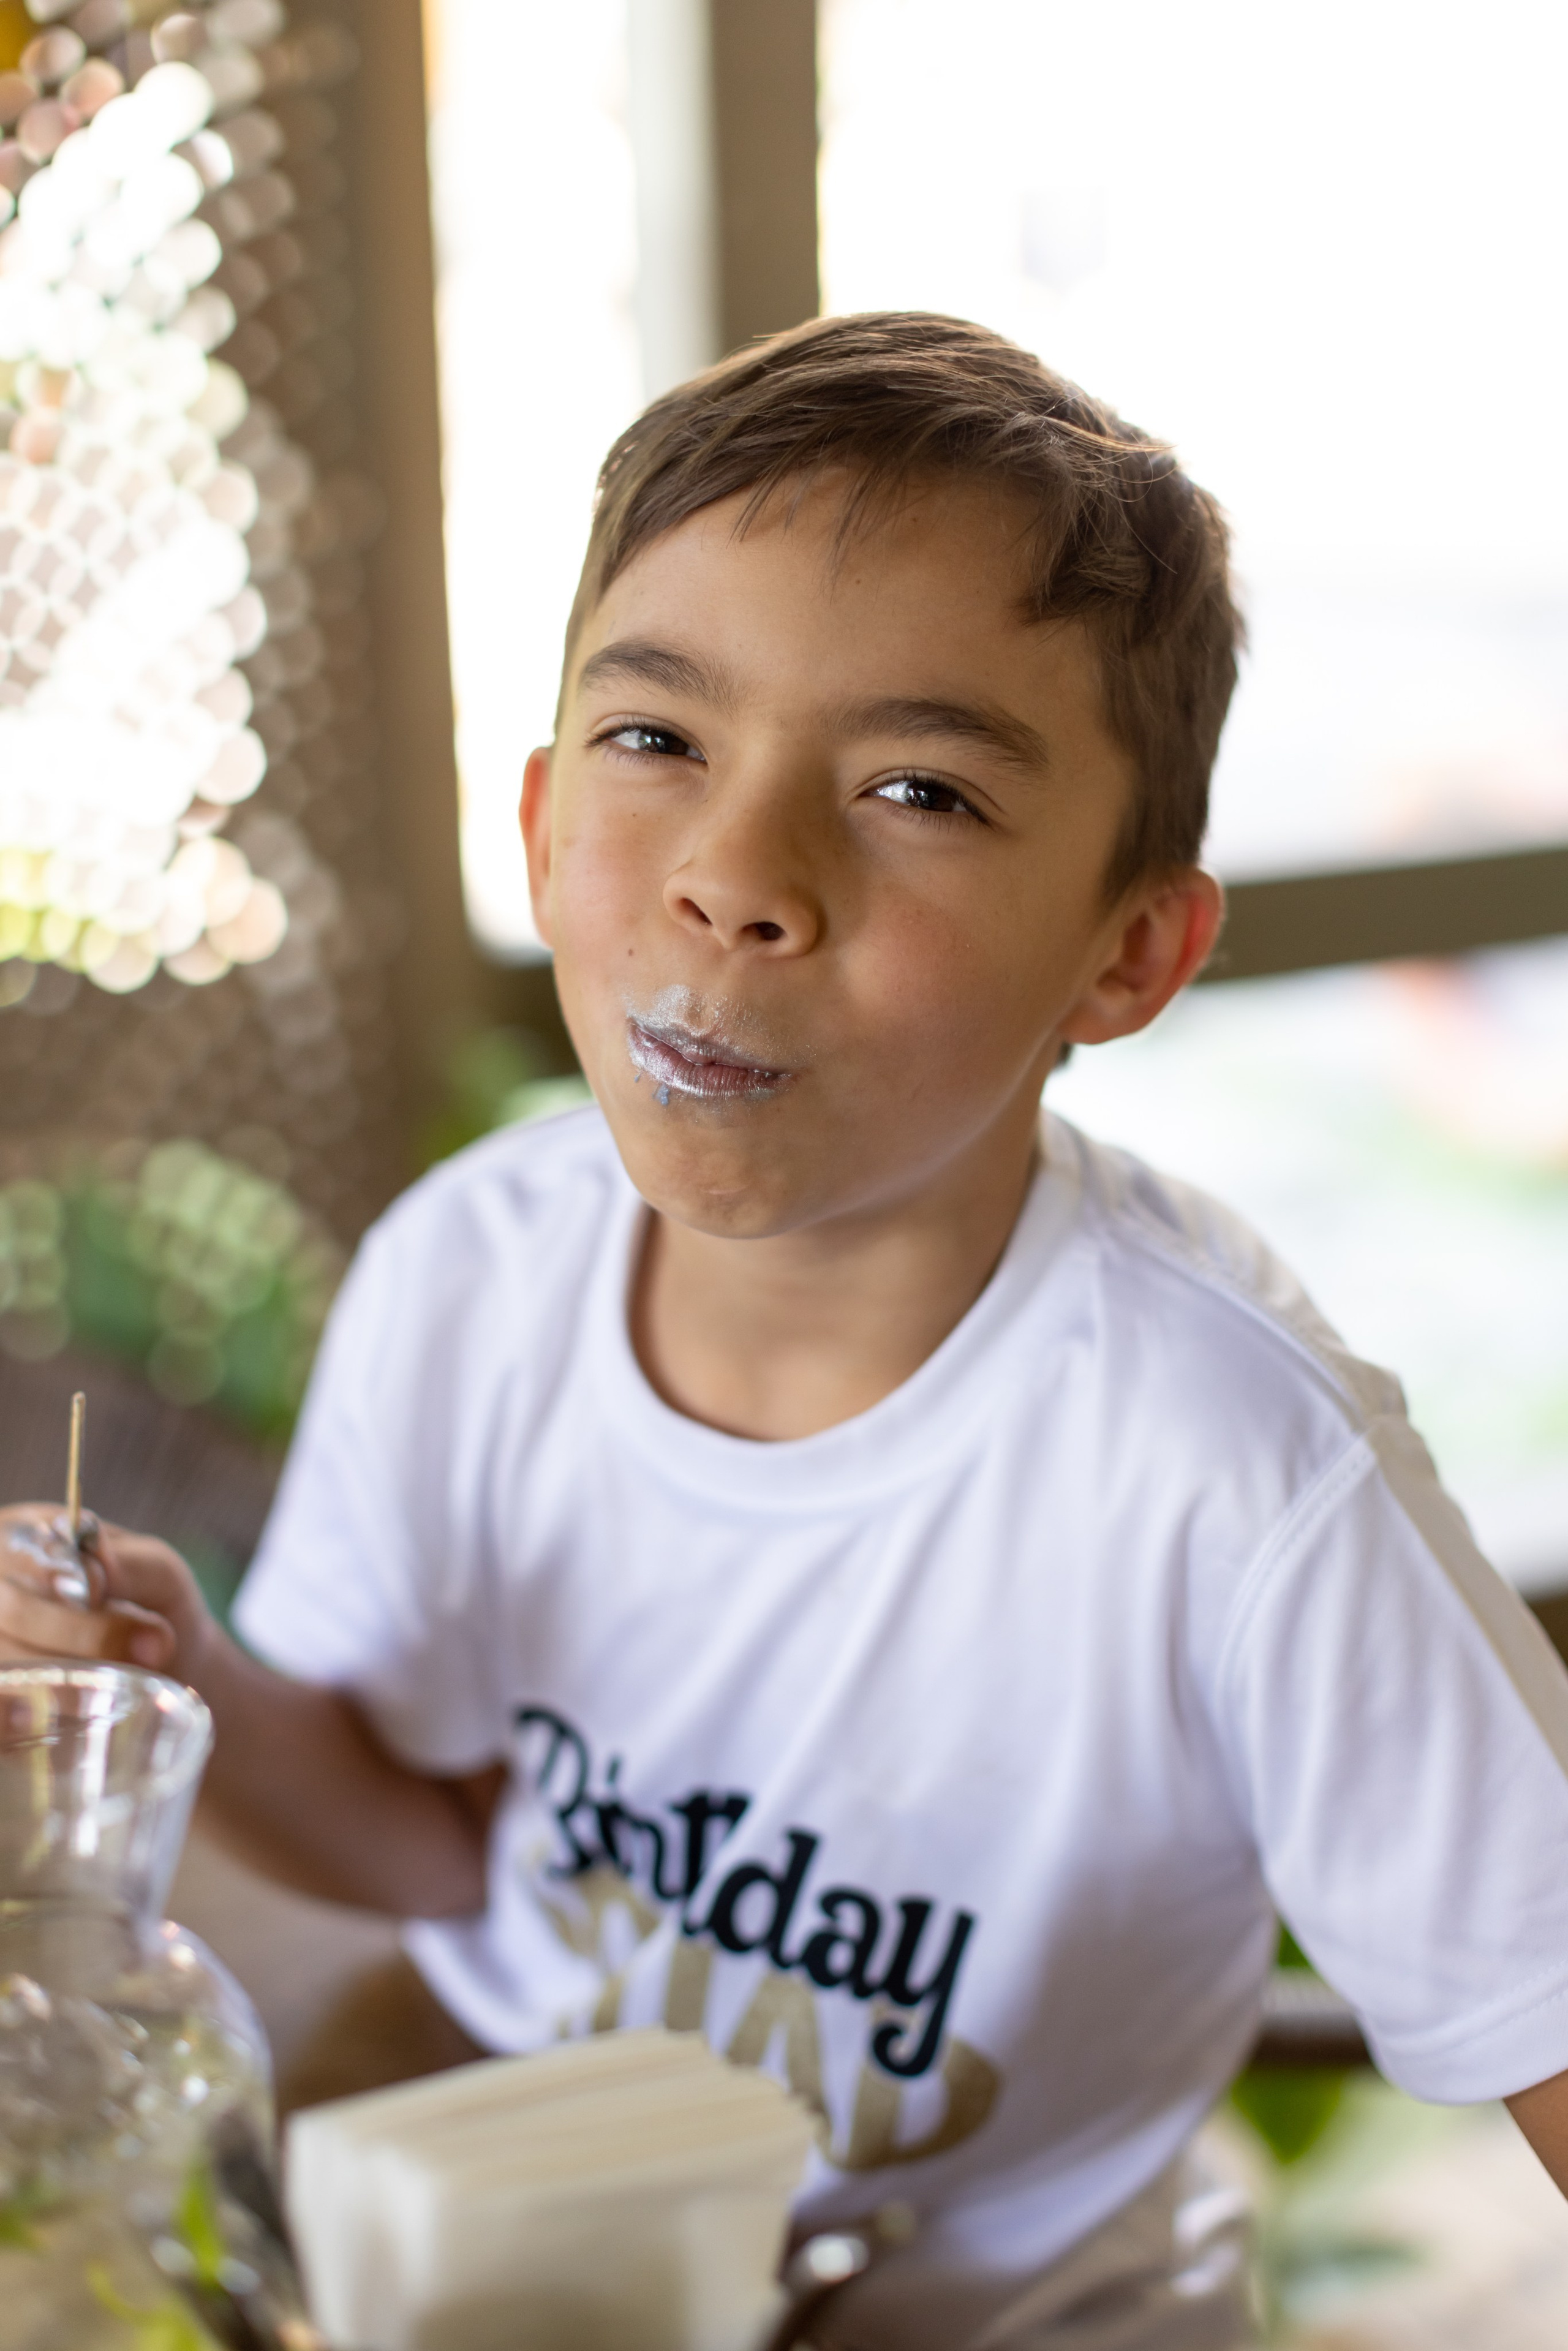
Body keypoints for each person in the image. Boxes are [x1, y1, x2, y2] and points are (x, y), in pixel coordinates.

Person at [5, 313, 1568, 2350]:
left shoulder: (1234, 1468)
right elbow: (417, 1838)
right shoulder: (474, 1274)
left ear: (1129, 949)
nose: (741, 879)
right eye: (663, 743)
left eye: (918, 787)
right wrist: (178, 1655)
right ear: (549, 818)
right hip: (504, 2249)